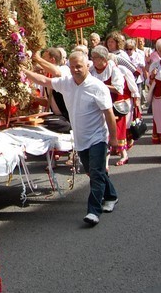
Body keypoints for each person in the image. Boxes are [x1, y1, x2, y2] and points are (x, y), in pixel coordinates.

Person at [22, 51, 119, 226]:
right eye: (72, 67)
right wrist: (23, 71)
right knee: (93, 171)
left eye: (79, 66)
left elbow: (109, 114)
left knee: (96, 174)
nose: (75, 70)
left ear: (87, 66)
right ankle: (111, 195)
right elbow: (44, 81)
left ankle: (93, 212)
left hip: (97, 137)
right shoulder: (66, 83)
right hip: (81, 139)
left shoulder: (98, 87)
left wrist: (114, 138)